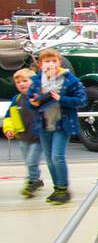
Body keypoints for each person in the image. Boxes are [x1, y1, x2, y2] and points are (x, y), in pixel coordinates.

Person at [27, 48, 86, 205]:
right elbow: (30, 100)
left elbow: (81, 100)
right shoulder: (37, 81)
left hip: (63, 123)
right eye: (47, 61)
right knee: (49, 159)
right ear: (40, 64)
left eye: (54, 61)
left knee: (57, 157)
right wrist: (32, 102)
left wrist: (62, 99)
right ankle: (57, 188)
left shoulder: (70, 80)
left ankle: (63, 188)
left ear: (59, 62)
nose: (50, 64)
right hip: (44, 124)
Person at [3, 68, 44, 197]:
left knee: (32, 161)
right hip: (23, 137)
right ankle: (36, 179)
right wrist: (9, 129)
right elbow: (10, 116)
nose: (21, 84)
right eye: (18, 82)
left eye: (25, 81)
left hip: (38, 137)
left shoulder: (39, 97)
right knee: (29, 162)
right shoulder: (17, 99)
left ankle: (31, 183)